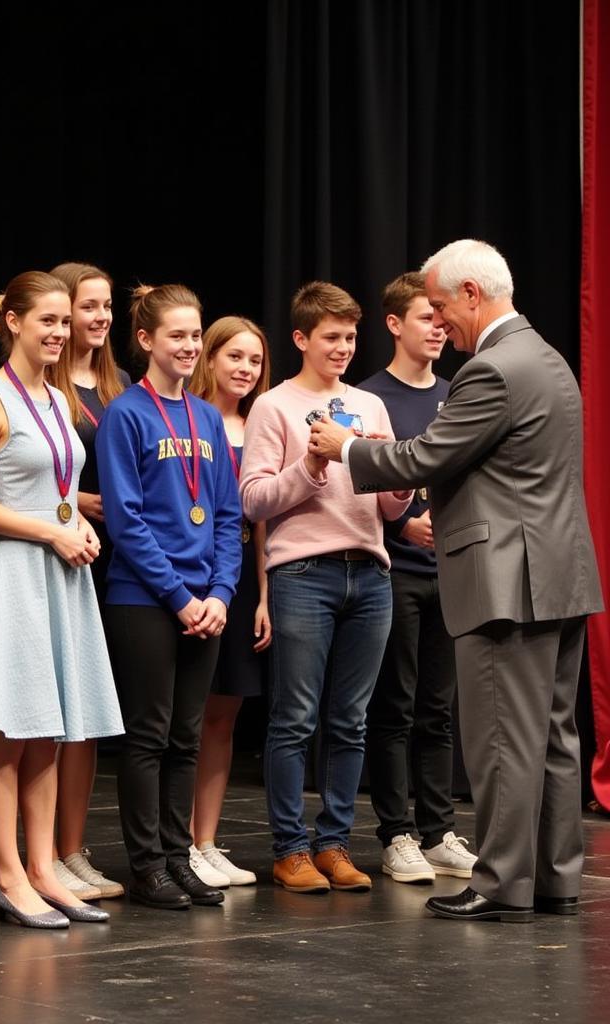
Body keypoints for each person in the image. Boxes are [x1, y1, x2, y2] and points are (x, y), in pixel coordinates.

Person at [309, 239, 604, 921]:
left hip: (507, 580)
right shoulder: (549, 359)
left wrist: (346, 448)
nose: (441, 324)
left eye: (443, 308)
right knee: (555, 737)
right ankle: (554, 879)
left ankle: (502, 883)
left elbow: (430, 456)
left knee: (502, 736)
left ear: (473, 294)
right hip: (559, 574)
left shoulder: (493, 369)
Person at [0, 271, 122, 928]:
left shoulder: (54, 397)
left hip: (59, 574)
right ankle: (10, 877)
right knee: (9, 736)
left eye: (65, 322)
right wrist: (50, 528)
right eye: (47, 320)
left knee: (49, 732)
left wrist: (77, 526)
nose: (60, 332)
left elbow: (59, 488)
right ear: (13, 321)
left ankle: (44, 868)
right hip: (16, 573)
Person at [240, 281, 412, 896]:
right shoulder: (274, 407)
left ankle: (334, 843)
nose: (342, 347)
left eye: (349, 337)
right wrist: (311, 467)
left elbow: (391, 507)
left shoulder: (369, 406)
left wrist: (403, 482)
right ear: (301, 339)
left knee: (352, 720)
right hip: (303, 574)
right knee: (294, 718)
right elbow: (253, 498)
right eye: (331, 337)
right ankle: (290, 850)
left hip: (370, 572)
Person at [97, 283, 242, 911]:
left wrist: (222, 592)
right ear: (147, 340)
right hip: (145, 598)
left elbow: (229, 517)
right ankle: (147, 865)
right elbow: (125, 520)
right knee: (148, 736)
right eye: (177, 335)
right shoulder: (125, 414)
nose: (188, 346)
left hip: (204, 602)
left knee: (187, 736)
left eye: (195, 335)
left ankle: (180, 858)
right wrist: (180, 596)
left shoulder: (207, 417)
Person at [358, 272, 476, 884]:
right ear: (394, 324)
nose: (437, 327)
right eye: (425, 317)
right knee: (395, 707)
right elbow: (353, 484)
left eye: (441, 316)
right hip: (396, 573)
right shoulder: (369, 396)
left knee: (440, 708)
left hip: (451, 572)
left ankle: (437, 830)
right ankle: (395, 833)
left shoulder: (460, 392)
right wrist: (401, 525)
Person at [47, 261, 128, 901]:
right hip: (58, 550)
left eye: (105, 306)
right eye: (88, 306)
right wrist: (77, 501)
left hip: (112, 560)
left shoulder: (119, 385)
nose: (99, 318)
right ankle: (40, 850)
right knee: (50, 710)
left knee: (90, 714)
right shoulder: (41, 385)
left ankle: (72, 848)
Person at [187, 315, 271, 888]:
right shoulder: (188, 417)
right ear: (209, 358)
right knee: (186, 714)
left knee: (226, 713)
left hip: (240, 577)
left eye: (255, 361)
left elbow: (262, 518)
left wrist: (264, 593)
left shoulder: (258, 425)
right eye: (234, 357)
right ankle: (177, 840)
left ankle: (206, 840)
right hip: (192, 573)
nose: (245, 369)